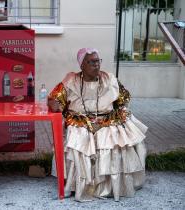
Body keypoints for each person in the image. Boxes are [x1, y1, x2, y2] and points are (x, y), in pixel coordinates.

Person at [48, 48, 147, 202]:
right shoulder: (70, 80)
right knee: (78, 141)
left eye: (98, 61)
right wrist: (54, 104)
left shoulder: (110, 79)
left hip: (107, 119)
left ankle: (111, 186)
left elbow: (124, 99)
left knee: (117, 140)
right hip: (79, 120)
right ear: (82, 65)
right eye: (92, 62)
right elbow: (55, 99)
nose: (96, 65)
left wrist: (119, 113)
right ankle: (73, 185)